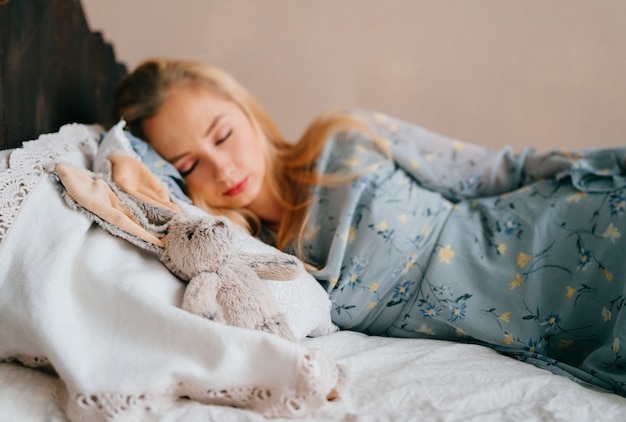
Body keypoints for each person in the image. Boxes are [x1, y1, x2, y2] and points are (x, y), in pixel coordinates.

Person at [114, 58, 626, 396]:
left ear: (246, 112)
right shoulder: (261, 261)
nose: (221, 170)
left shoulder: (343, 140)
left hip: (573, 229)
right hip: (554, 329)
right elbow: (138, 184)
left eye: (223, 135)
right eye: (188, 165)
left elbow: (498, 171)